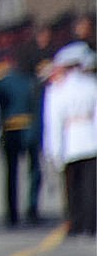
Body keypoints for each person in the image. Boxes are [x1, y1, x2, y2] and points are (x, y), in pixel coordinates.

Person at [42, 42, 97, 237]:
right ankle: (91, 224)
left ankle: (76, 222)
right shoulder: (92, 85)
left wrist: (53, 150)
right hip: (91, 141)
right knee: (91, 186)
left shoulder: (57, 90)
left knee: (72, 187)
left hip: (70, 142)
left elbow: (54, 123)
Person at [0, 52, 42, 227]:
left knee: (11, 173)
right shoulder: (32, 81)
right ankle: (32, 208)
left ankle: (12, 212)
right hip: (29, 128)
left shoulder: (0, 82)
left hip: (11, 129)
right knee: (33, 172)